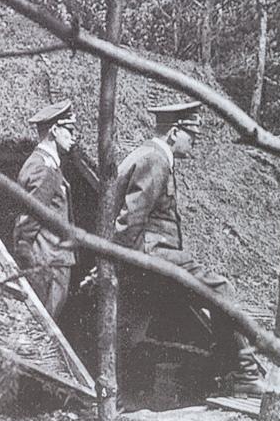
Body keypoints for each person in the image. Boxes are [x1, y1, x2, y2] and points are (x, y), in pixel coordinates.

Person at [114, 100, 266, 395]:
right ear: (174, 133)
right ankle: (244, 372)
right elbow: (131, 218)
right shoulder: (155, 160)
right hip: (151, 255)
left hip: (145, 256)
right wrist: (124, 261)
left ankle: (121, 395)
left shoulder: (147, 155)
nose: (194, 143)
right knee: (220, 290)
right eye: (191, 136)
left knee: (131, 327)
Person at [13, 99, 77, 320]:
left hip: (49, 260)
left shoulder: (44, 163)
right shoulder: (44, 167)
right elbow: (30, 219)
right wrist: (28, 259)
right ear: (54, 130)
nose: (74, 135)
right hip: (49, 262)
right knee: (44, 326)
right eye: (69, 129)